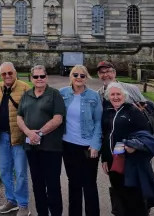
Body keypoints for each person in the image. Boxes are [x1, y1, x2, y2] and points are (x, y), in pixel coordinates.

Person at [101, 82, 154, 216]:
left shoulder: (132, 111)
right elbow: (105, 136)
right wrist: (104, 158)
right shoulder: (107, 112)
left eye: (118, 94)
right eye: (112, 94)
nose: (115, 97)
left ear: (124, 96)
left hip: (130, 162)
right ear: (108, 96)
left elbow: (146, 135)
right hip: (113, 162)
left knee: (135, 198)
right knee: (119, 197)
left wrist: (134, 146)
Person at [16, 65, 65, 216]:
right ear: (31, 78)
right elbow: (19, 117)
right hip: (32, 147)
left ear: (46, 77)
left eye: (42, 76)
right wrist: (28, 132)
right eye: (35, 77)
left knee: (52, 185)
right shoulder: (27, 95)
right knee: (37, 184)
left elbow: (58, 119)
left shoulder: (54, 94)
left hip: (51, 148)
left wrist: (40, 133)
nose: (39, 79)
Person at [59, 65, 102, 216]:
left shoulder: (93, 96)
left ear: (86, 78)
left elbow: (98, 122)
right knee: (74, 183)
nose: (78, 78)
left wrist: (95, 145)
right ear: (71, 76)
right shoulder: (62, 93)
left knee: (89, 184)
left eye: (82, 75)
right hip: (68, 145)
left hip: (88, 146)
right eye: (75, 74)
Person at [0, 62, 30, 216]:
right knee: (4, 171)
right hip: (2, 136)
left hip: (19, 137)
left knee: (20, 172)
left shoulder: (25, 87)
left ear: (15, 73)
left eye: (10, 73)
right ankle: (11, 200)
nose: (7, 76)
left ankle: (23, 204)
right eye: (4, 74)